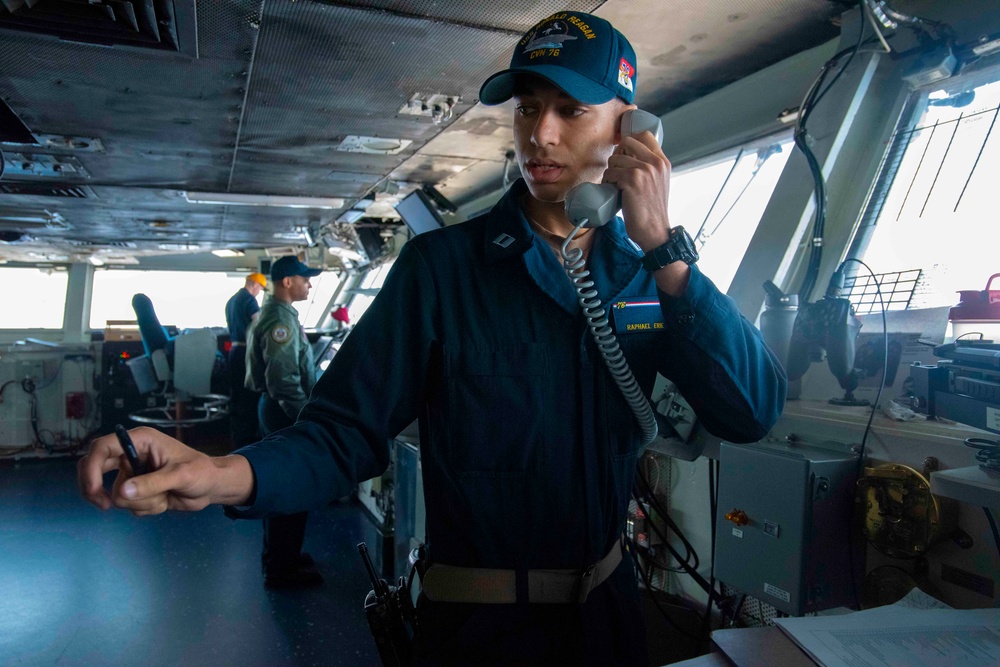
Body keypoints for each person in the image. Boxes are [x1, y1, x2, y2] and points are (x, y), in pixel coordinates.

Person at [79, 12, 785, 665]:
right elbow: (341, 432)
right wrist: (220, 471)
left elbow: (751, 410)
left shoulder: (648, 278)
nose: (540, 134)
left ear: (631, 130)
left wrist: (665, 248)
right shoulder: (443, 269)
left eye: (571, 111)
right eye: (529, 107)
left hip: (607, 621)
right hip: (477, 635)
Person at [242, 256, 324, 589]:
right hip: (283, 410)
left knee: (280, 485)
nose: (309, 284)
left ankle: (281, 556)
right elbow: (283, 382)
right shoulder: (281, 321)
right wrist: (308, 418)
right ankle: (281, 568)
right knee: (292, 488)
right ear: (287, 282)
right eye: (305, 279)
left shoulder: (279, 315)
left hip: (274, 409)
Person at [224, 272, 267, 450]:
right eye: (260, 289)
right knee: (248, 397)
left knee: (236, 396)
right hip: (245, 353)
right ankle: (248, 442)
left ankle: (236, 439)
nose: (259, 292)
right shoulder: (249, 300)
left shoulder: (232, 300)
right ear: (255, 285)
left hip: (233, 352)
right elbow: (258, 326)